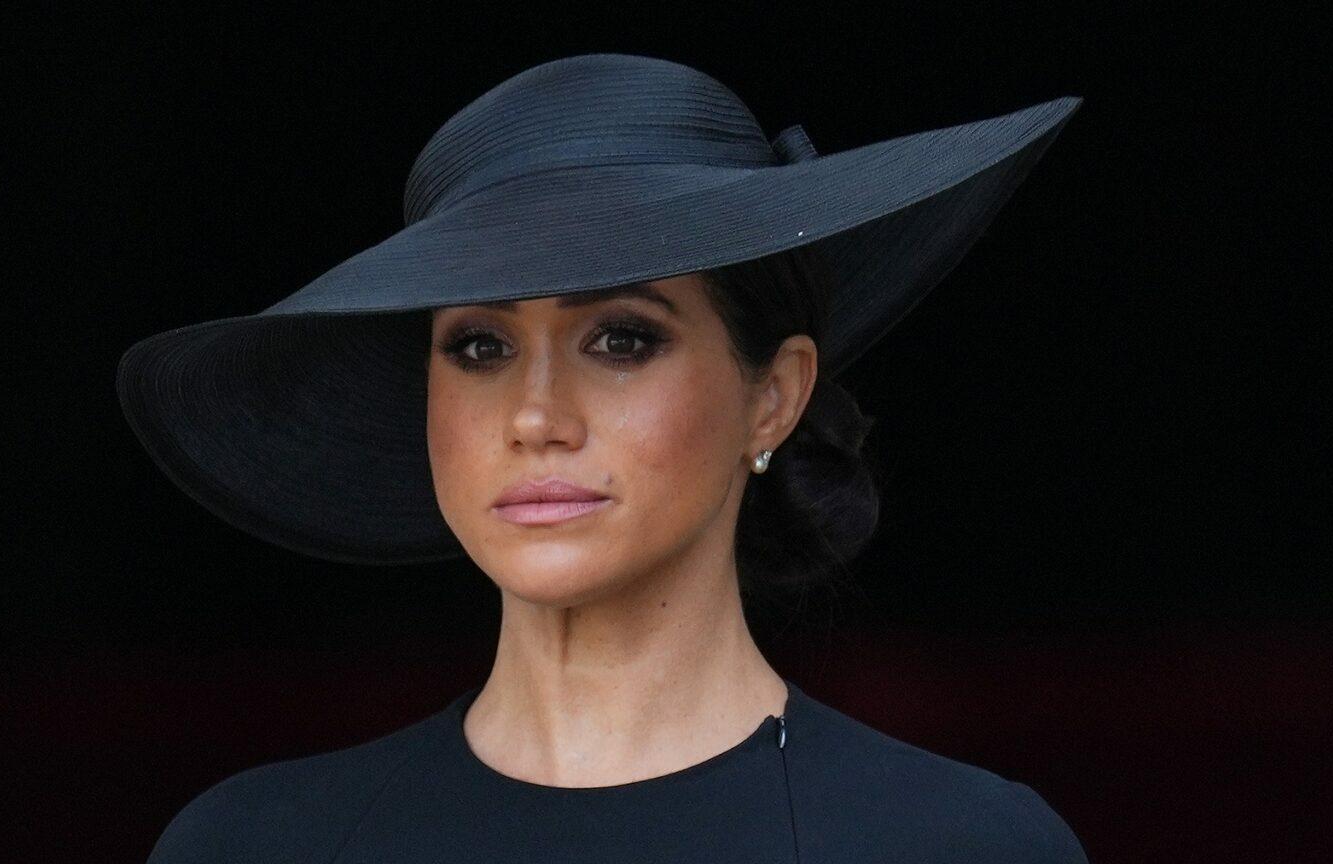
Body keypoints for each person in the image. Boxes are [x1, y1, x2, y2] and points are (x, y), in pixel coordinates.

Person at [118, 52, 1087, 862]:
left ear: (774, 397)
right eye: (479, 347)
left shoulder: (960, 846)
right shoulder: (252, 847)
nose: (537, 416)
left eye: (621, 339)